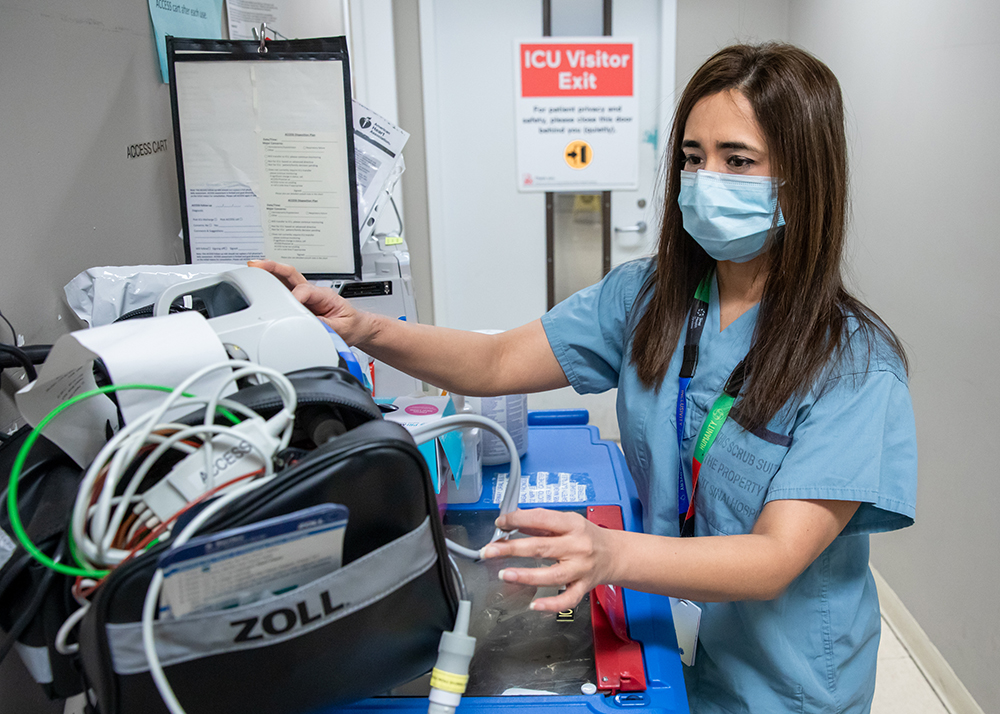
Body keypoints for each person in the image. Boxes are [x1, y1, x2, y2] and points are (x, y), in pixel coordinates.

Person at [251, 42, 917, 714]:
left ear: (801, 180)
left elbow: (775, 557)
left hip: (782, 682)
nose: (704, 178)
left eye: (736, 160)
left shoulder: (853, 364)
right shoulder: (650, 298)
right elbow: (498, 361)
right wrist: (362, 329)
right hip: (665, 636)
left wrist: (609, 553)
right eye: (692, 157)